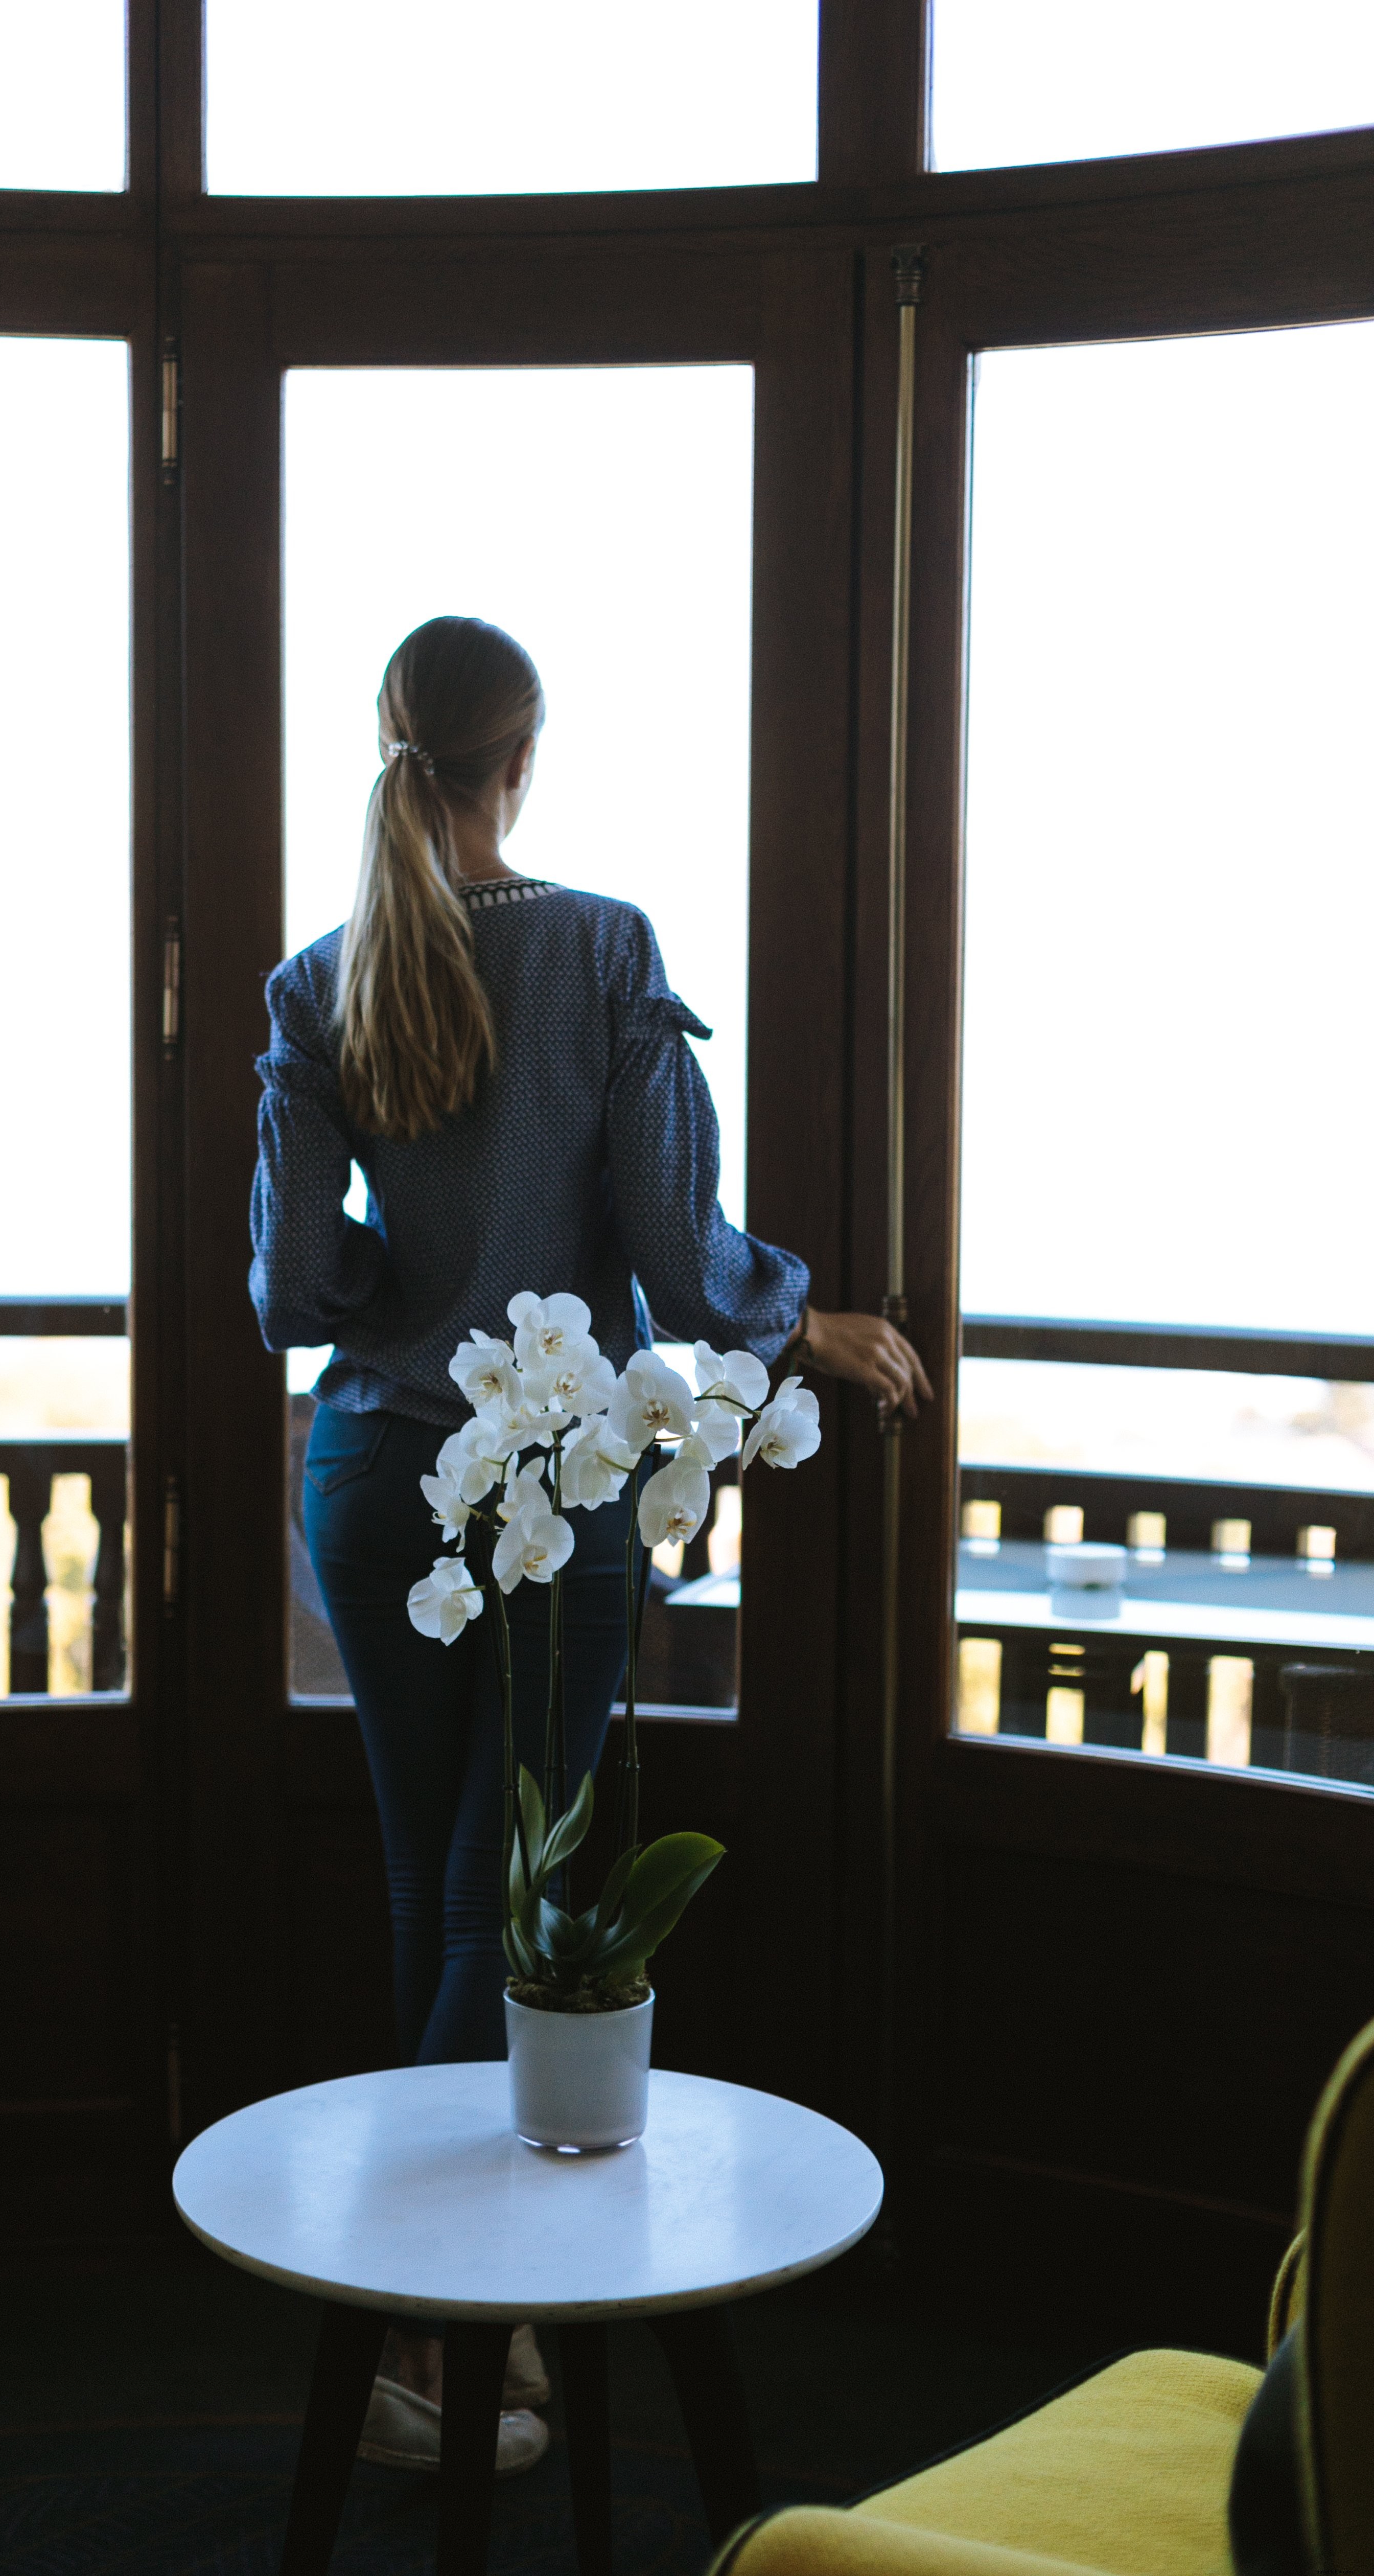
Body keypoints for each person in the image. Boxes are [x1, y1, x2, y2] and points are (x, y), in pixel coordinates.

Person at [249, 614, 930, 2472]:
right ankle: (425, 2316)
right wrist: (804, 1325)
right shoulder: (599, 948)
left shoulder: (320, 986)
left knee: (429, 1892)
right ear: (519, 762)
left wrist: (412, 1296)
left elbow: (291, 1284)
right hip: (548, 1484)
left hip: (373, 1471)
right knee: (507, 1902)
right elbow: (667, 1244)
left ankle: (468, 2333)